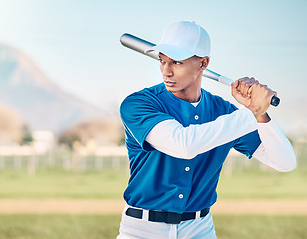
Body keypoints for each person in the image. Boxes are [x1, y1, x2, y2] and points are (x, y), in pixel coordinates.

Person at [117, 21, 296, 239]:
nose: (166, 71)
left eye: (176, 62)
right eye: (162, 61)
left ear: (203, 64)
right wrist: (250, 111)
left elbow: (285, 162)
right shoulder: (139, 104)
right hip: (142, 230)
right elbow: (183, 145)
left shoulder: (225, 112)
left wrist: (260, 114)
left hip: (199, 229)